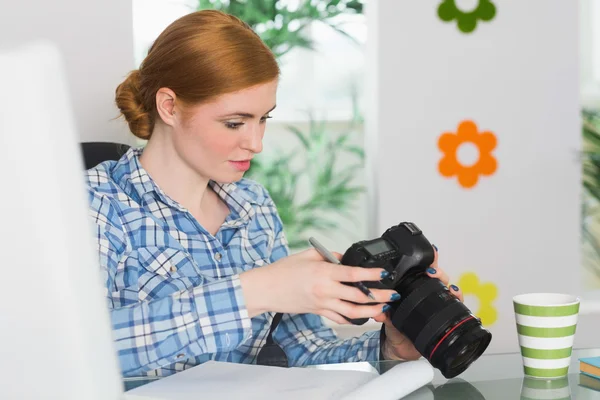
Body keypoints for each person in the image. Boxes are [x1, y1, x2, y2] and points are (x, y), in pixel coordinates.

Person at [86, 9, 463, 378]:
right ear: (169, 106)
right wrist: (256, 291)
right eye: (234, 122)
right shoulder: (96, 205)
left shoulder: (254, 208)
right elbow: (73, 352)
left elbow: (305, 352)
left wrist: (390, 348)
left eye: (263, 118)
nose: (255, 143)